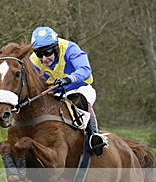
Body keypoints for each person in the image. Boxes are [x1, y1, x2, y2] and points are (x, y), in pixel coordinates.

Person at [29, 26, 106, 156]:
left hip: (79, 88)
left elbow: (85, 70)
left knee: (80, 98)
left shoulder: (71, 49)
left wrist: (69, 79)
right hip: (56, 93)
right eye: (39, 54)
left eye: (47, 53)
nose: (44, 59)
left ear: (56, 48)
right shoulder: (33, 60)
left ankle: (94, 136)